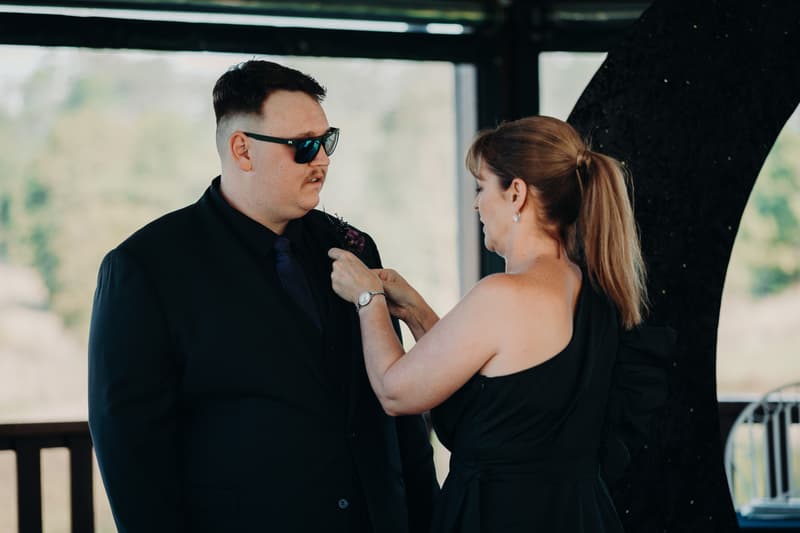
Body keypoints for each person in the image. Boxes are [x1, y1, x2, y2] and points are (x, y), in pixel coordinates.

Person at [88, 60, 439, 533]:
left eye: (327, 141)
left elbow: (398, 410)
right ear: (243, 150)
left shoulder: (354, 247)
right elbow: (131, 452)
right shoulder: (146, 267)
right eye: (304, 146)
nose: (322, 160)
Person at [329, 115, 674, 532]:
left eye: (481, 187)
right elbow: (497, 381)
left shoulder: (504, 295)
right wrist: (416, 310)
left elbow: (394, 392)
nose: (476, 204)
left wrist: (367, 299)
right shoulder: (587, 286)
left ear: (516, 194)